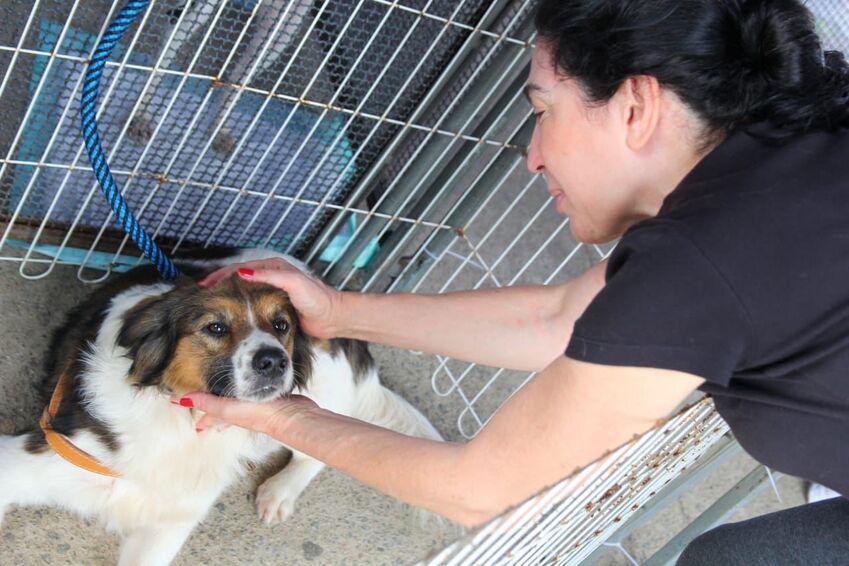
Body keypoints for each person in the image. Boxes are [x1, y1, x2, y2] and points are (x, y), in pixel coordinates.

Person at [178, 0, 849, 562]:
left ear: (635, 106)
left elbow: (479, 486)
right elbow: (555, 321)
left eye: (542, 111)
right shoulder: (782, 156)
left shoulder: (702, 264)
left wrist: (280, 412)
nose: (530, 156)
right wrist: (334, 312)